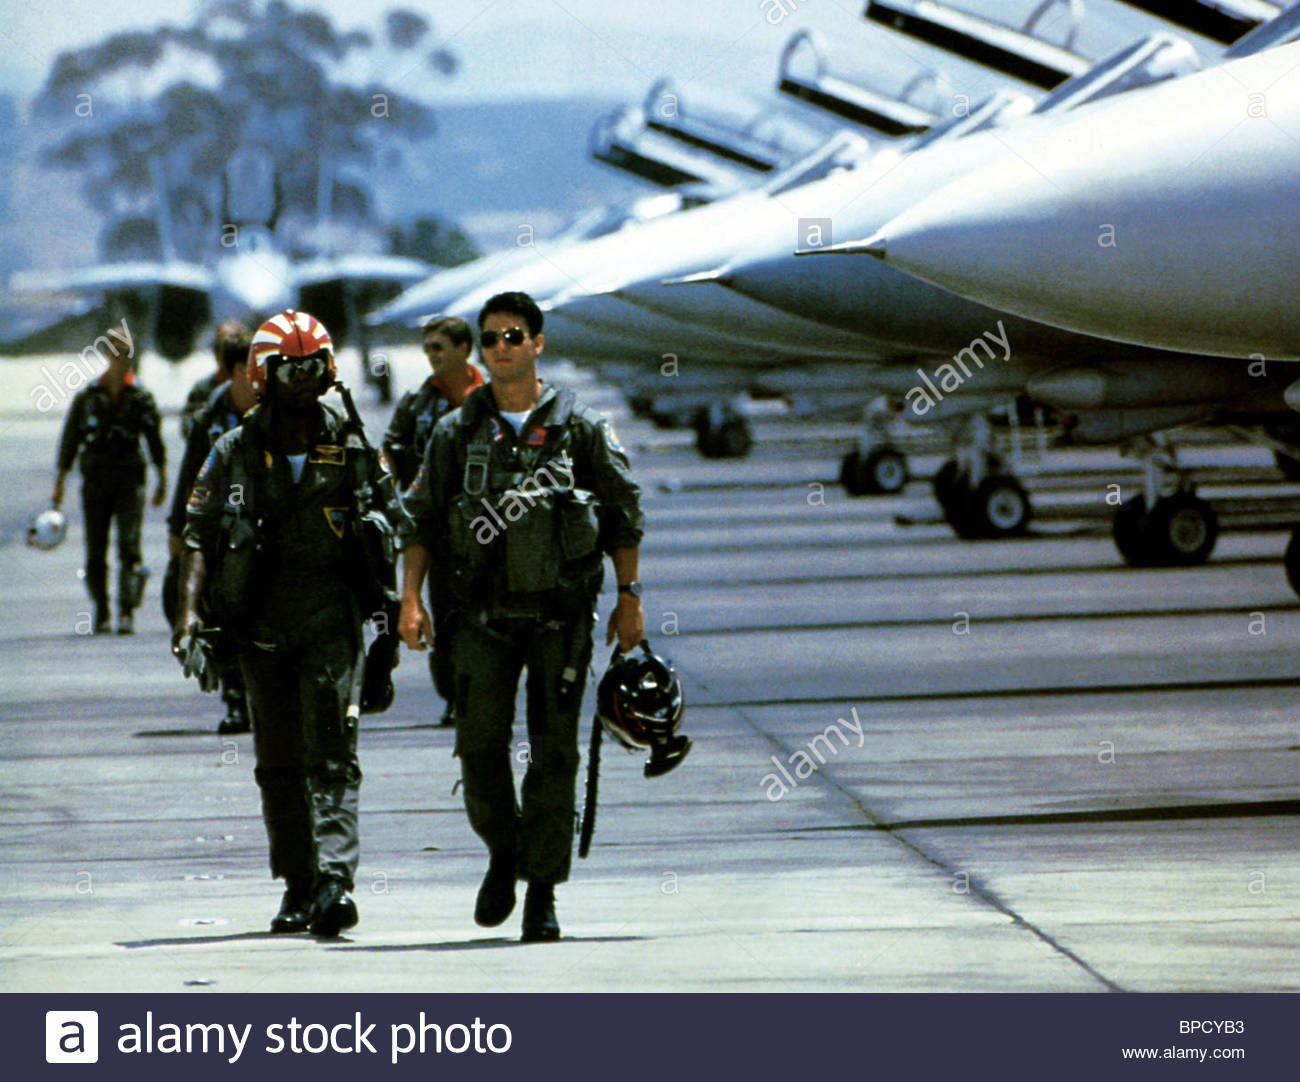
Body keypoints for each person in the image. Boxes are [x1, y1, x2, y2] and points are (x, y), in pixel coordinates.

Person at [397, 291, 645, 943]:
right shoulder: (455, 433)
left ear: (538, 343)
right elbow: (420, 520)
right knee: (479, 751)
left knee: (554, 756)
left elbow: (622, 512)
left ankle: (541, 892)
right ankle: (503, 851)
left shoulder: (581, 428)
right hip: (478, 620)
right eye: (490, 339)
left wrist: (630, 598)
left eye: (513, 336)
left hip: (560, 621)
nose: (500, 347)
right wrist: (410, 600)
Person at [176, 309, 397, 937]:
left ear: (328, 369)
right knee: (277, 763)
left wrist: (395, 612)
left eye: (311, 366)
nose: (301, 378)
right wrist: (189, 617)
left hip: (331, 616)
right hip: (259, 626)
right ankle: (297, 883)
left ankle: (334, 881)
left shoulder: (353, 444)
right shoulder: (234, 449)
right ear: (262, 374)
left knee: (332, 753)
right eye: (287, 368)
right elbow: (198, 537)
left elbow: (395, 522)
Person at [383, 315, 484, 726]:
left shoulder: (494, 396)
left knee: (491, 614)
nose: (432, 355)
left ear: (464, 349)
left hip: (492, 527)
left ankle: (488, 692)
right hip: (438, 530)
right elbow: (390, 452)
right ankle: (456, 696)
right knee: (445, 615)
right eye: (428, 348)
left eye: (439, 347)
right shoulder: (417, 403)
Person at [166, 322, 255, 734]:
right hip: (221, 534)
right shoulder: (209, 421)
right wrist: (177, 528)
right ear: (236, 369)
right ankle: (236, 698)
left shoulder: (275, 411)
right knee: (223, 611)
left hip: (264, 527)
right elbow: (190, 476)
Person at [52, 332, 166, 635]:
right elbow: (70, 440)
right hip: (96, 480)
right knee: (95, 548)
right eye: (117, 352)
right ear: (106, 354)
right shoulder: (88, 397)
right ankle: (101, 609)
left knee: (129, 545)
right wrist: (60, 481)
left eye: (127, 352)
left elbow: (155, 441)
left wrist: (162, 480)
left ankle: (127, 610)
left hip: (130, 479)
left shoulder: (141, 397)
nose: (122, 358)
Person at [180, 321, 248, 440]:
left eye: (228, 347)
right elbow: (188, 428)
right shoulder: (202, 389)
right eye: (218, 347)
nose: (222, 353)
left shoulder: (254, 389)